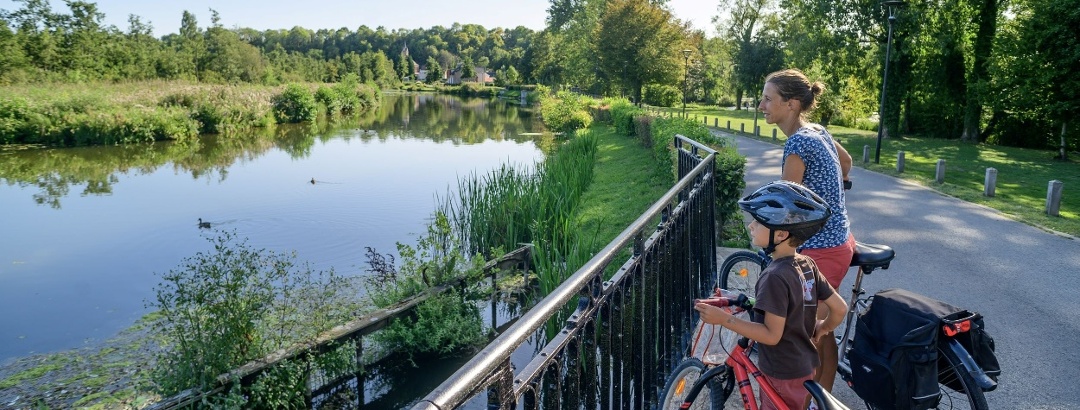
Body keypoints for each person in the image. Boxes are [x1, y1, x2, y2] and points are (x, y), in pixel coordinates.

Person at [696, 181, 848, 410]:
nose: (751, 226)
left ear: (781, 234)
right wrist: (823, 328)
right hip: (804, 365)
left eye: (759, 222)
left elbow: (771, 335)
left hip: (781, 372)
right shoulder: (807, 264)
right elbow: (840, 308)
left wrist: (724, 319)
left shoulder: (774, 277)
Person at [758, 68, 854, 393]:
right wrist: (833, 196)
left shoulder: (797, 145)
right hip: (840, 239)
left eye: (769, 99)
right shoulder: (818, 131)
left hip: (823, 250)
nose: (761, 106)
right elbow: (847, 163)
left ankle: (819, 397)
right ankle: (818, 392)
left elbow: (786, 206)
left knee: (812, 330)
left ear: (792, 104)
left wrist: (761, 229)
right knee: (816, 323)